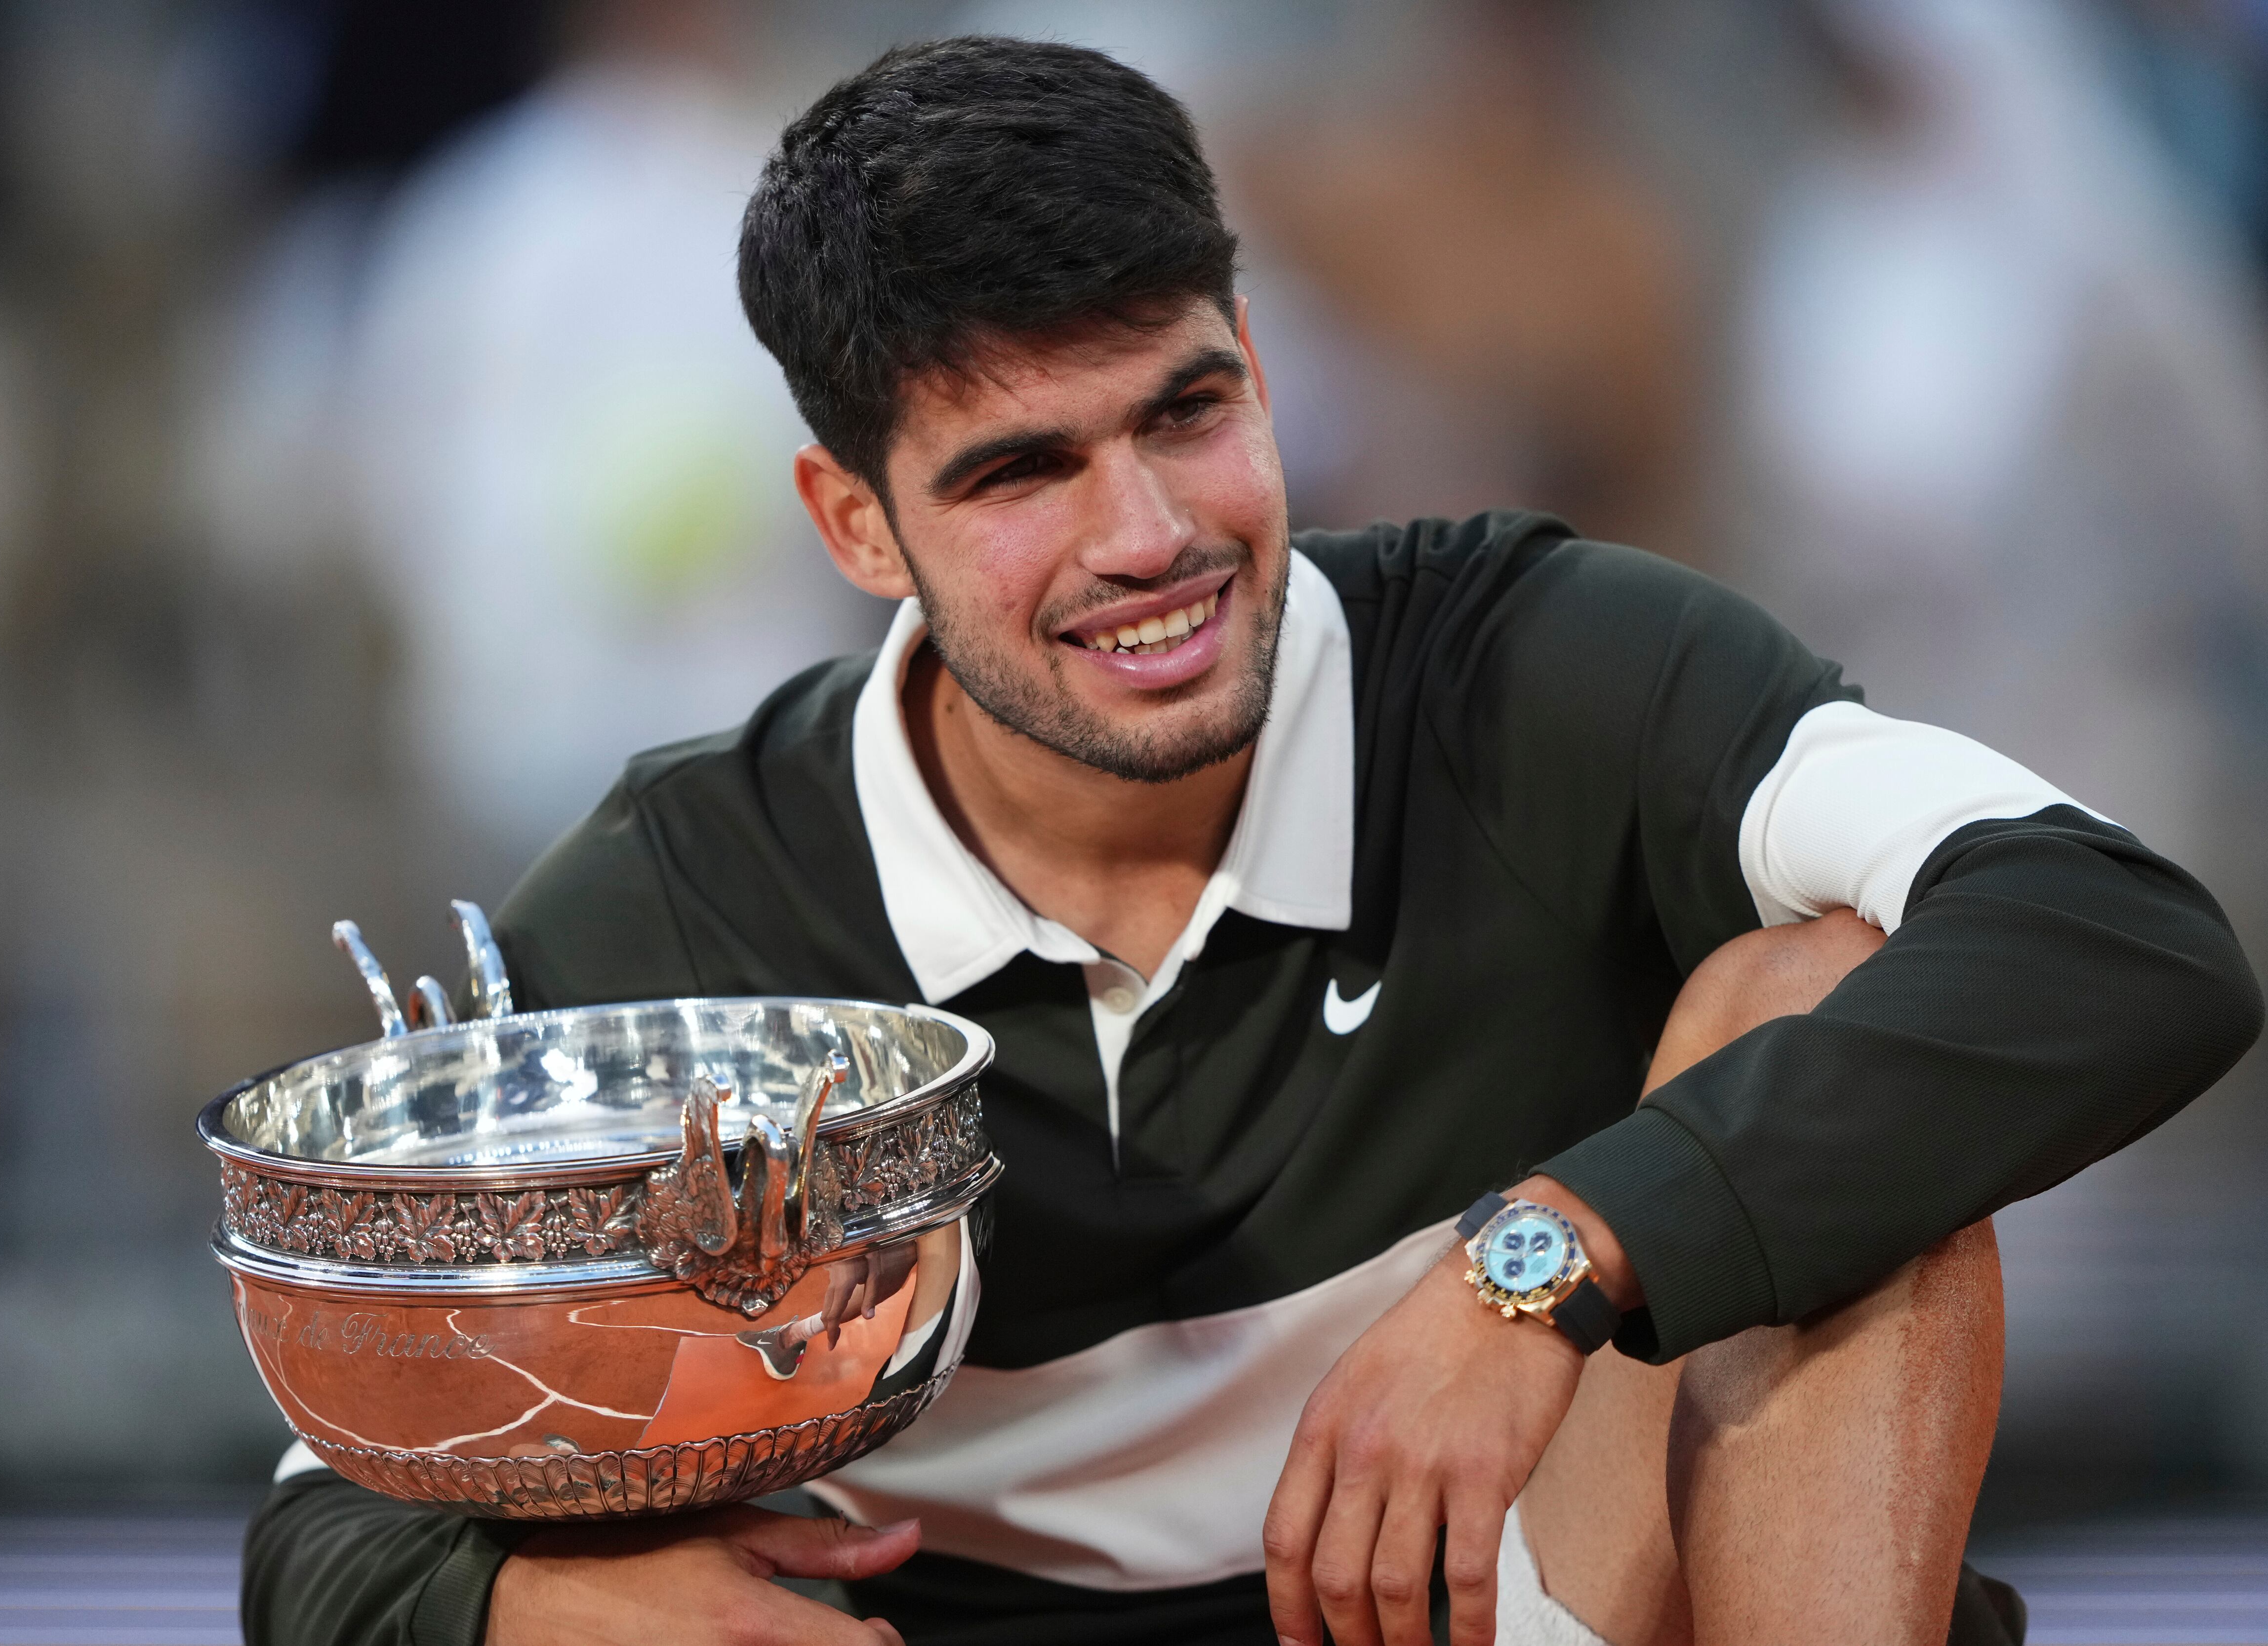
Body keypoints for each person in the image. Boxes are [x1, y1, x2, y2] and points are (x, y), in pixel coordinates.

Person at [239, 37, 2262, 1646]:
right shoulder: (683, 904)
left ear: (1260, 368)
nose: (1147, 535)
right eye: (1022, 469)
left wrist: (1535, 1265)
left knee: (1810, 984)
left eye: (1185, 411)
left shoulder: (1537, 666)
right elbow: (320, 1528)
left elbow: (2124, 933)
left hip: (1562, 1606)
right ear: (853, 525)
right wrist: (518, 1604)